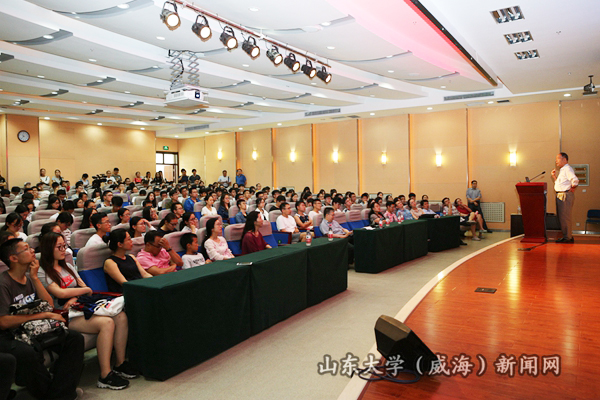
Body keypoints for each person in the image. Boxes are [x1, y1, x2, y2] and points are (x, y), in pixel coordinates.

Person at [40, 232, 136, 390]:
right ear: (48, 248)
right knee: (106, 323)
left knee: (121, 316)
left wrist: (75, 296)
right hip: (63, 315)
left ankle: (120, 363)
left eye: (64, 246)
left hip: (78, 307)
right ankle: (105, 375)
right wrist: (81, 292)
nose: (64, 250)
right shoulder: (43, 271)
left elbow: (86, 288)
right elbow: (60, 293)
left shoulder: (68, 267)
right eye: (59, 247)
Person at [0, 238, 84, 400]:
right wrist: (43, 315)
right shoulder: (3, 283)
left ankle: (59, 394)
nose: (32, 250)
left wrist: (35, 278)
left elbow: (49, 305)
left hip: (33, 328)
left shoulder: (29, 278)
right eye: (26, 249)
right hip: (8, 335)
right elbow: (3, 322)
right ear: (14, 258)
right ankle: (56, 395)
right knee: (26, 352)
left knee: (74, 338)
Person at [552, 152, 578, 243]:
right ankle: (567, 236)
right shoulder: (563, 170)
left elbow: (575, 180)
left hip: (565, 195)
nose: (556, 161)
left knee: (565, 217)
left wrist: (573, 187)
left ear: (564, 159)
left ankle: (568, 238)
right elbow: (561, 184)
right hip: (561, 194)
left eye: (558, 159)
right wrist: (554, 177)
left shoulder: (567, 169)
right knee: (562, 217)